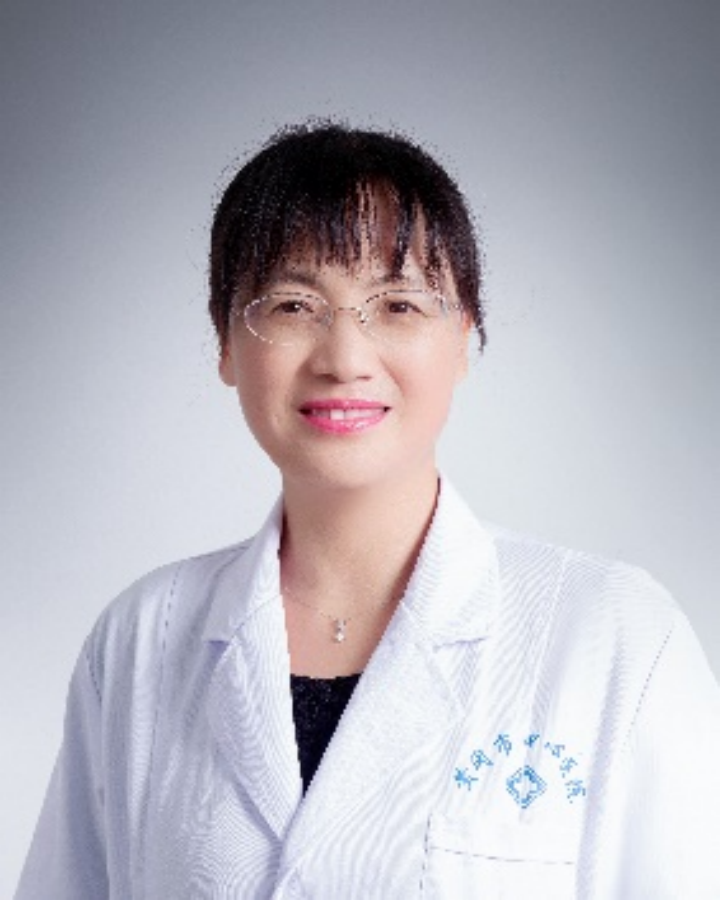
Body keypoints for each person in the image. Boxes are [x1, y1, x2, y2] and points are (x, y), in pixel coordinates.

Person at [16, 122, 720, 899]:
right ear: (225, 342)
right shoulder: (141, 639)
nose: (345, 360)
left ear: (464, 338)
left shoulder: (613, 636)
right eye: (293, 305)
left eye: (398, 305)